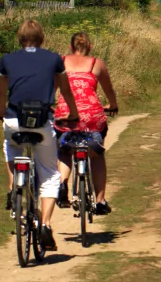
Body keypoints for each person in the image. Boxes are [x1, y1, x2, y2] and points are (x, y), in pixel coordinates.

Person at [0, 18, 80, 252]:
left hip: (14, 120)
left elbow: (1, 91)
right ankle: (45, 224)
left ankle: (14, 186)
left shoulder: (7, 60)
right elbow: (65, 90)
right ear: (42, 38)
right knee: (50, 173)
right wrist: (72, 114)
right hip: (42, 122)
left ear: (19, 38)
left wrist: (1, 113)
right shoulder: (53, 59)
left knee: (10, 147)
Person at [54, 31, 118, 215]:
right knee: (97, 155)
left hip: (67, 116)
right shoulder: (97, 64)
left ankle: (63, 184)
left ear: (70, 47)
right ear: (90, 47)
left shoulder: (61, 63)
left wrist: (51, 107)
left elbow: (51, 90)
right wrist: (113, 105)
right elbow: (109, 90)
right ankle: (100, 201)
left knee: (64, 151)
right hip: (92, 117)